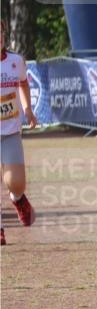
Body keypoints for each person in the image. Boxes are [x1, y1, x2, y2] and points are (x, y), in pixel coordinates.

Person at [0, 19, 38, 246]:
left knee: (16, 182)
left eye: (0, 32)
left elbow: (23, 84)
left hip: (10, 130)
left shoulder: (15, 61)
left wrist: (28, 110)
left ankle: (18, 199)